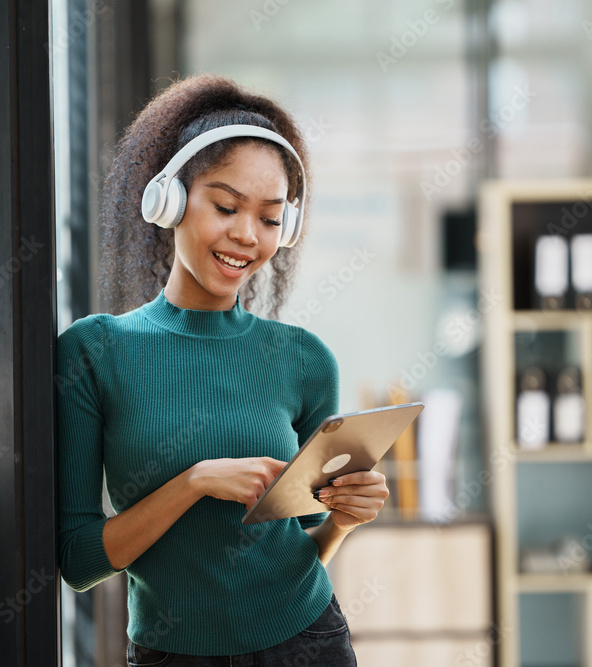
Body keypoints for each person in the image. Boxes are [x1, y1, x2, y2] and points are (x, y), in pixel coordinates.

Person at [56, 73, 389, 666]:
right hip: (171, 654)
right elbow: (80, 561)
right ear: (172, 199)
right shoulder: (95, 351)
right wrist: (194, 482)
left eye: (268, 218)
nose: (246, 236)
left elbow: (303, 541)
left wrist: (344, 519)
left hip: (306, 643)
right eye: (227, 206)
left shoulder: (305, 359)